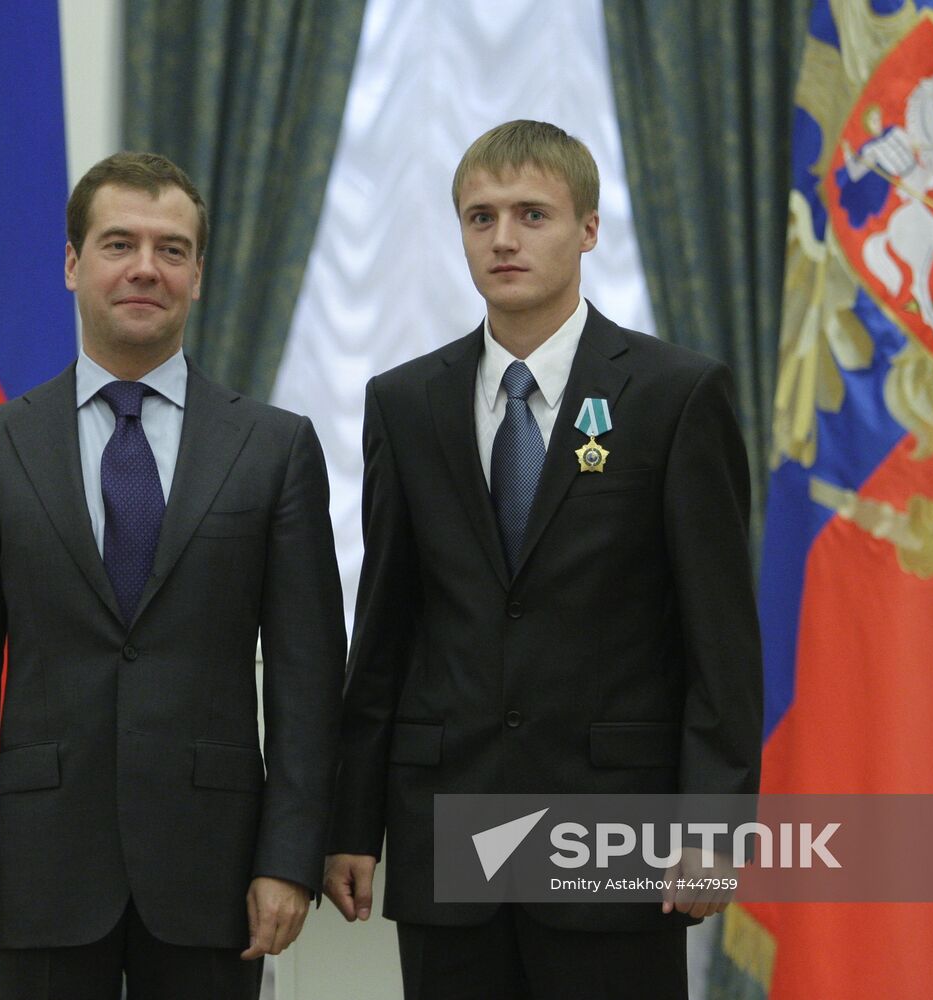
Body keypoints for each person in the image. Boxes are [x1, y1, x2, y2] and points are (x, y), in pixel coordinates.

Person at [323, 120, 762, 999]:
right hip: (450, 825)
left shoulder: (676, 395)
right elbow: (387, 627)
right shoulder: (406, 402)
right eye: (480, 218)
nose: (505, 239)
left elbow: (719, 636)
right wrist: (351, 823)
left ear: (588, 229)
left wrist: (713, 826)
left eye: (532, 214)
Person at [0, 151, 344, 999]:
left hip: (215, 870)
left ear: (198, 276)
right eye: (119, 244)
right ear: (73, 264)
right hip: (39, 869)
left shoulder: (275, 448)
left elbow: (308, 675)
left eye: (172, 249)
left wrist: (289, 857)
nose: (146, 267)